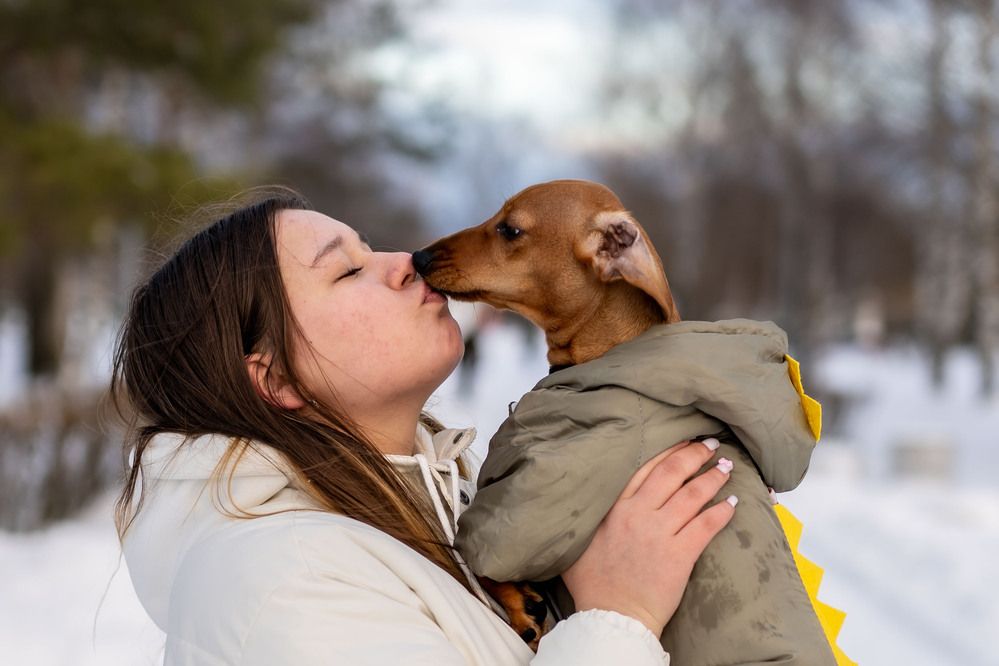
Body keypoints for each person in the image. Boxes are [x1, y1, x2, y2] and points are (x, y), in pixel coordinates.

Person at [113, 187, 737, 665]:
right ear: (275, 379)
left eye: (368, 246)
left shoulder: (457, 499)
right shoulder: (277, 583)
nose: (405, 261)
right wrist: (620, 614)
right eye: (347, 271)